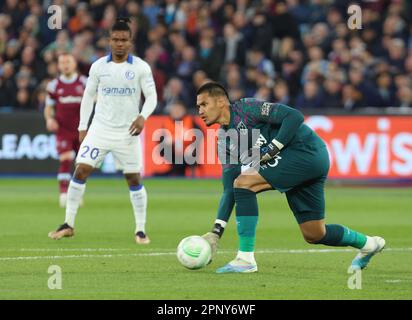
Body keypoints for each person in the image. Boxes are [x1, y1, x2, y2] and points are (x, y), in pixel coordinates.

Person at [197, 82, 385, 273]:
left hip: (305, 151)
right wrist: (216, 232)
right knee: (314, 233)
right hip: (297, 165)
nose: (200, 111)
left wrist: (273, 147)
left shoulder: (246, 108)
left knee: (245, 184)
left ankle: (245, 259)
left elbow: (294, 116)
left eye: (204, 104)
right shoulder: (225, 140)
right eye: (198, 107)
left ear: (221, 101)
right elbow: (230, 188)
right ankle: (369, 244)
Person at [48, 18, 157, 244]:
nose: (119, 44)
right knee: (81, 170)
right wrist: (82, 126)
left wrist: (142, 116)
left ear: (130, 42)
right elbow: (88, 97)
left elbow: (152, 97)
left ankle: (140, 230)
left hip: (128, 132)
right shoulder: (98, 66)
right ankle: (68, 224)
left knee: (133, 178)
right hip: (100, 129)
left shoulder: (140, 67)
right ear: (109, 41)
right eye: (115, 39)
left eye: (123, 40)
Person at [44, 53, 87, 207]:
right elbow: (48, 107)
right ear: (59, 66)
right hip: (63, 130)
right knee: (65, 158)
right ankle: (63, 193)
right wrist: (49, 119)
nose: (65, 64)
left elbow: (96, 101)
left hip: (82, 130)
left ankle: (77, 194)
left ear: (74, 63)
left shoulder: (84, 83)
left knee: (82, 163)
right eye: (62, 62)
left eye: (68, 61)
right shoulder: (53, 85)